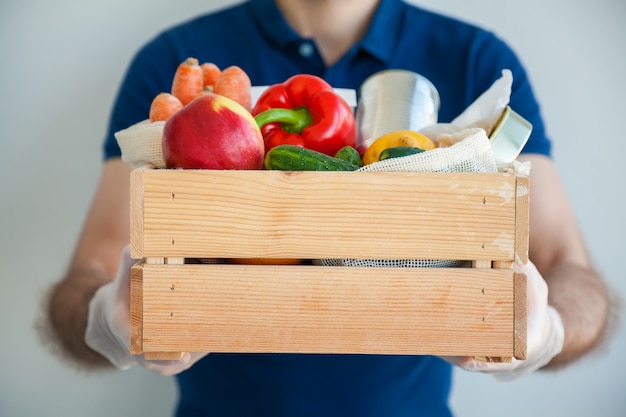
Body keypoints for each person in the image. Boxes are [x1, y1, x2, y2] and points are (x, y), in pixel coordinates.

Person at [42, 0, 614, 416]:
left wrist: (550, 331)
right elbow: (86, 275)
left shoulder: (476, 59)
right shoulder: (170, 61)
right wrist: (105, 322)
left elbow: (571, 267)